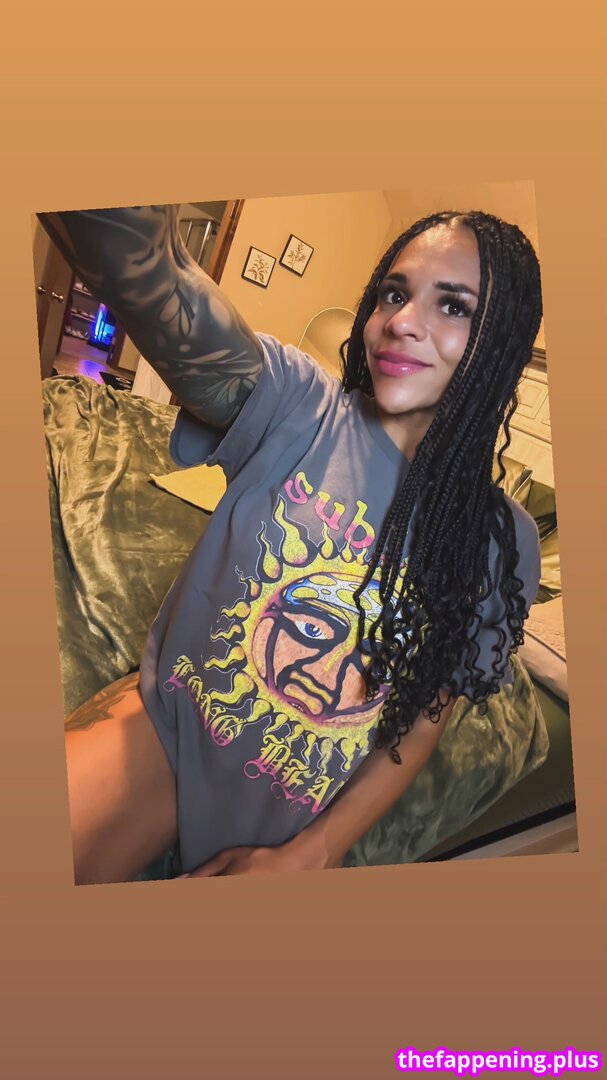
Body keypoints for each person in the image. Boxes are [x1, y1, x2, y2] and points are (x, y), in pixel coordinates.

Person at [39, 204, 542, 885]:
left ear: (502, 343)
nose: (401, 321)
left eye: (453, 306)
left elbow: (424, 720)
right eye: (393, 294)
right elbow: (147, 272)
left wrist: (316, 850)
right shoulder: (300, 404)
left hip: (291, 822)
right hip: (166, 738)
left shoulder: (501, 543)